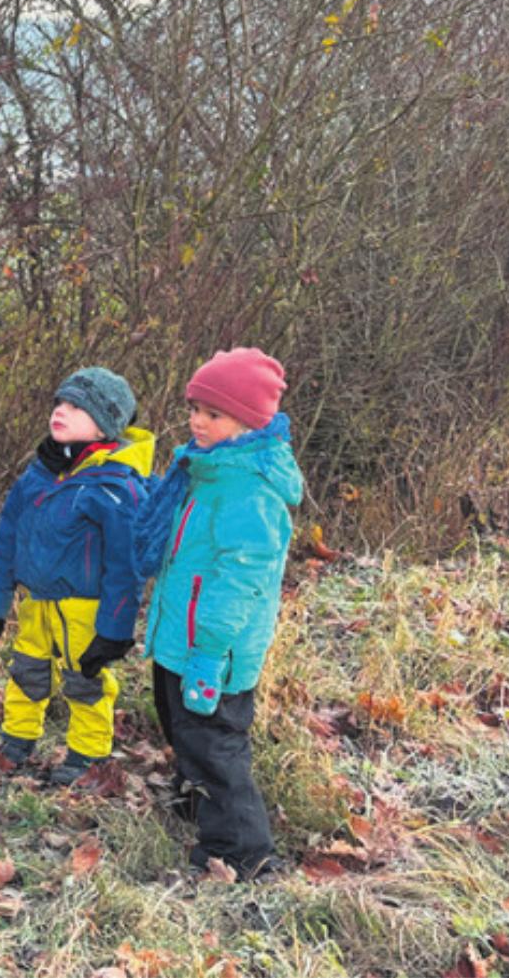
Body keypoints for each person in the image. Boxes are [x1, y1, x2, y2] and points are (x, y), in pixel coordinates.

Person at [136, 347, 303, 880]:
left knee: (215, 745)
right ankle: (197, 805)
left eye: (214, 414)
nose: (197, 421)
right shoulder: (203, 474)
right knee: (182, 729)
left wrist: (209, 645)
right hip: (179, 641)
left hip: (213, 649)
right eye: (195, 409)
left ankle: (244, 851)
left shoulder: (248, 491)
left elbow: (242, 579)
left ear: (247, 422)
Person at [0, 368, 153, 786]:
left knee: (86, 682)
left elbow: (125, 567)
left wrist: (114, 629)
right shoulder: (36, 476)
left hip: (85, 609)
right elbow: (7, 541)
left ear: (105, 423)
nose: (62, 411)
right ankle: (16, 741)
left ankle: (88, 756)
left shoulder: (116, 486)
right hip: (37, 602)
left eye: (77, 407)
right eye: (60, 402)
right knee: (26, 672)